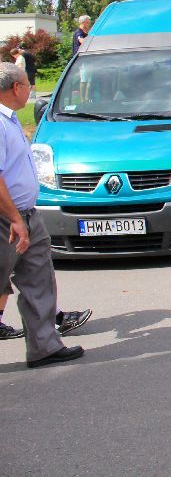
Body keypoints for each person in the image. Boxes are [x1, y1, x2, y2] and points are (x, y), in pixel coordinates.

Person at [0, 63, 86, 368]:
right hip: (7, 219)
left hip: (26, 215)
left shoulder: (9, 121)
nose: (29, 89)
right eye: (27, 84)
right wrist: (13, 218)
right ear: (14, 89)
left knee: (38, 279)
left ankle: (44, 347)